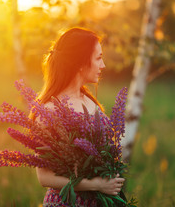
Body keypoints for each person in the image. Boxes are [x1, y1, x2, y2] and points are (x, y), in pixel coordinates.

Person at [33, 27, 125, 207]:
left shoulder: (90, 101)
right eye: (98, 58)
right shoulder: (49, 111)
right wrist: (96, 185)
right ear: (80, 63)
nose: (103, 65)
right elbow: (44, 177)